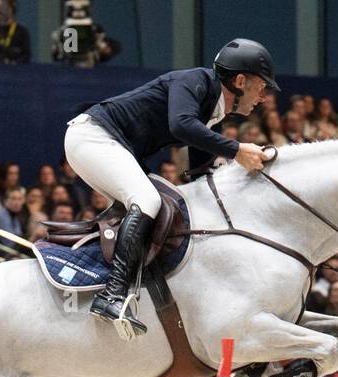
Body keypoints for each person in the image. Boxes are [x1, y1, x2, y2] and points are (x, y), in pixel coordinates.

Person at [63, 38, 277, 335]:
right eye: (262, 86)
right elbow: (181, 125)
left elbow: (200, 174)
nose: (264, 96)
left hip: (111, 145)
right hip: (93, 137)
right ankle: (111, 295)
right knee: (147, 201)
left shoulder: (213, 112)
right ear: (241, 81)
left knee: (169, 202)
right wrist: (237, 150)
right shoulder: (195, 80)